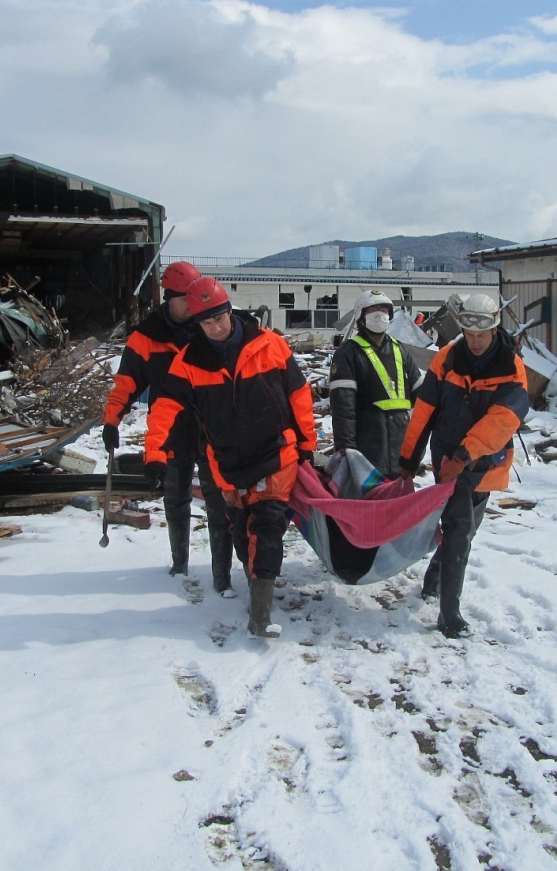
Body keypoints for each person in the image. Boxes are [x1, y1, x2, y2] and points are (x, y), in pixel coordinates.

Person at [145, 277, 317, 638]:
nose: (217, 327)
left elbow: (299, 395)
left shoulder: (270, 345)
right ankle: (256, 582)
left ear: (230, 311)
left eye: (220, 318)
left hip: (276, 453)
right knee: (243, 534)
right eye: (207, 323)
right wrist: (155, 453)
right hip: (228, 465)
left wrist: (307, 444)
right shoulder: (189, 361)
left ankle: (260, 615)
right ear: (197, 324)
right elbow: (164, 408)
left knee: (268, 528)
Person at [398, 293, 529, 638]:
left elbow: (504, 419)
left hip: (484, 463)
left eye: (480, 336)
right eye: (469, 335)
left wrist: (464, 455)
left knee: (467, 531)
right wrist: (409, 459)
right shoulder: (448, 358)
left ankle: (433, 581)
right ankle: (449, 614)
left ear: (494, 329)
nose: (474, 342)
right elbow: (425, 410)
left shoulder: (511, 366)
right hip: (447, 460)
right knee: (457, 533)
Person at [101, 261, 235, 596]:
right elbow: (126, 384)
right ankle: (179, 565)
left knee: (219, 502)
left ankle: (222, 575)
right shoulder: (146, 337)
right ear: (168, 297)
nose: (191, 307)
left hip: (211, 428)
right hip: (171, 429)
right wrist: (111, 420)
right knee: (175, 498)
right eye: (184, 300)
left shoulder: (204, 327)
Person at [328, 290, 421, 478]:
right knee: (369, 503)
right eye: (373, 309)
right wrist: (346, 447)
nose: (380, 314)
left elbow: (424, 399)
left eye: (384, 309)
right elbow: (343, 406)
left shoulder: (400, 350)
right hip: (367, 446)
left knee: (399, 503)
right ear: (361, 317)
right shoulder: (348, 352)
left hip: (399, 446)